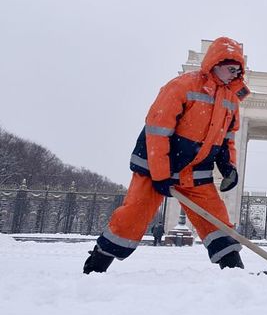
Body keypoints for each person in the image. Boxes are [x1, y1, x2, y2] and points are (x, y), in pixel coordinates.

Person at [83, 37, 251, 274]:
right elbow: (158, 129)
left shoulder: (231, 99)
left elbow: (228, 137)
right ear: (215, 63)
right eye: (231, 69)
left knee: (216, 220)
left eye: (238, 71)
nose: (235, 75)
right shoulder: (183, 86)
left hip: (195, 171)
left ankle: (234, 269)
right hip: (155, 166)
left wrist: (228, 166)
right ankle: (96, 265)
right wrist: (161, 173)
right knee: (132, 217)